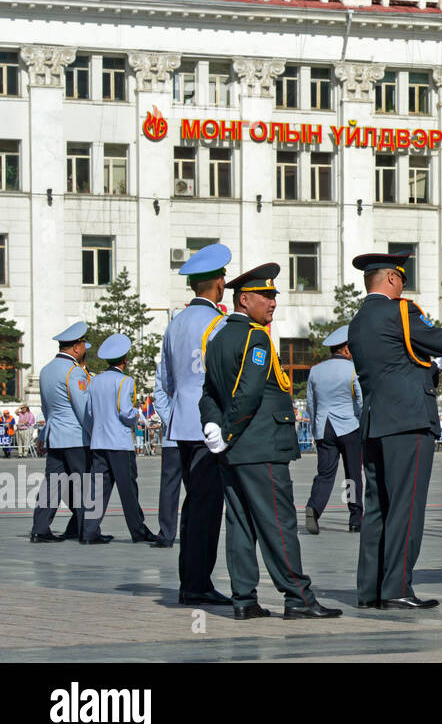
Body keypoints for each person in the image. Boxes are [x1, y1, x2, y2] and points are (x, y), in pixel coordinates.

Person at [198, 264, 342, 621]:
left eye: (274, 296)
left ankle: (244, 598)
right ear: (244, 300)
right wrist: (228, 431)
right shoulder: (255, 338)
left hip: (232, 451)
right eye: (266, 296)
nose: (273, 303)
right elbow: (247, 394)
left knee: (241, 524)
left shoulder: (215, 340)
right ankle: (298, 596)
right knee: (277, 522)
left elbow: (208, 395)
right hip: (260, 444)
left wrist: (214, 429)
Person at [349, 252, 442, 609]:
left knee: (378, 509)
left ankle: (370, 590)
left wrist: (436, 369)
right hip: (409, 423)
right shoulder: (401, 311)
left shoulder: (358, 321)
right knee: (406, 507)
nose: (403, 285)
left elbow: (396, 369)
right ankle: (398, 588)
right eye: (400, 278)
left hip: (375, 424)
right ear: (389, 279)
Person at [154, 243, 231, 604]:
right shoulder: (218, 324)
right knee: (206, 507)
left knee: (193, 505)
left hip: (182, 427)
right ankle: (198, 584)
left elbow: (165, 382)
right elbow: (224, 378)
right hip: (207, 427)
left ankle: (191, 582)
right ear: (217, 284)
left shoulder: (175, 324)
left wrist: (173, 418)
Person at [81, 334, 158, 545]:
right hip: (119, 444)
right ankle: (138, 531)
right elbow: (125, 413)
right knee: (128, 491)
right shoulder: (125, 381)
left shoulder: (94, 381)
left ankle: (89, 531)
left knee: (97, 491)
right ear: (124, 360)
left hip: (99, 442)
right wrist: (137, 416)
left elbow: (89, 413)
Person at [30, 321, 91, 543]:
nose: (84, 348)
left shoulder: (46, 371)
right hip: (75, 437)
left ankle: (40, 528)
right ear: (76, 348)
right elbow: (83, 409)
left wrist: (45, 434)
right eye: (83, 344)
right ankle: (87, 530)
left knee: (51, 485)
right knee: (84, 484)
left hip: (55, 436)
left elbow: (47, 409)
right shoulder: (75, 372)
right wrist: (94, 434)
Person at [304, 326, 364, 535]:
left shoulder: (315, 370)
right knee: (352, 474)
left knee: (325, 473)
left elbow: (311, 403)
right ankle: (355, 517)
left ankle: (314, 507)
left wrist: (315, 426)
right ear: (346, 350)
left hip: (324, 427)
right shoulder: (353, 369)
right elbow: (362, 399)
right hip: (348, 426)